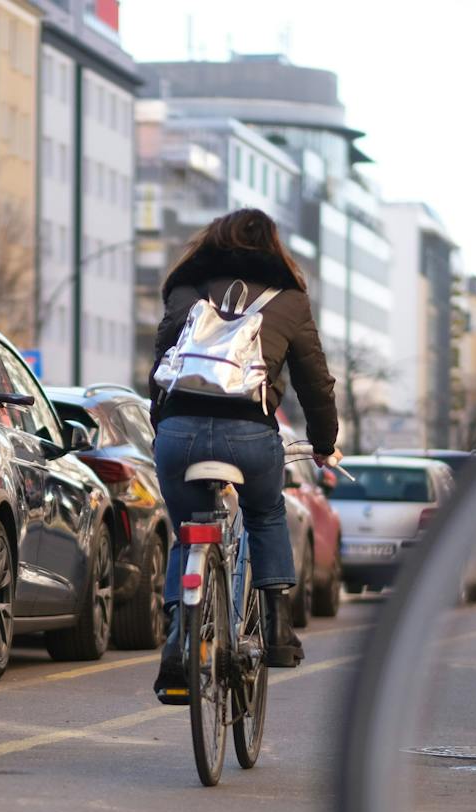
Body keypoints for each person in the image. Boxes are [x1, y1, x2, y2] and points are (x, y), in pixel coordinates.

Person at [147, 208, 339, 702]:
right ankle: (276, 626)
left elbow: (163, 363)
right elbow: (314, 380)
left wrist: (161, 422)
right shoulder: (290, 300)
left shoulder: (186, 288)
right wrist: (323, 442)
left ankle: (176, 639)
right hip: (249, 436)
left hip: (180, 431)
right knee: (265, 513)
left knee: (186, 528)